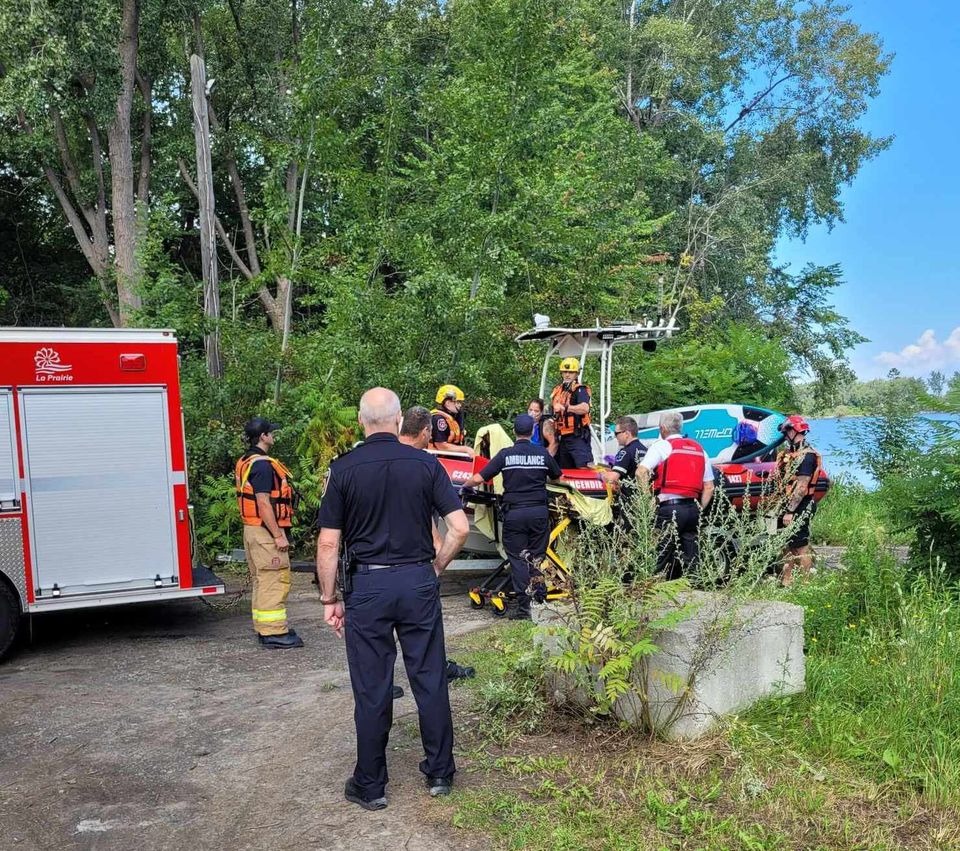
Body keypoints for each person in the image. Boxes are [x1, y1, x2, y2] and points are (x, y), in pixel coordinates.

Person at [316, 388, 470, 810]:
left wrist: (330, 598)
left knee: (372, 686)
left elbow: (329, 545)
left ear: (361, 421)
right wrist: (434, 567)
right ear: (400, 420)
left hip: (368, 587)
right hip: (417, 581)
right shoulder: (427, 465)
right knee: (430, 675)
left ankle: (371, 784)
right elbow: (458, 527)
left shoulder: (343, 469)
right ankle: (440, 772)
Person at [463, 414, 562, 620]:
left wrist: (461, 487)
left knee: (518, 559)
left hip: (515, 513)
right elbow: (557, 477)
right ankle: (539, 600)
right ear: (532, 432)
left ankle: (525, 608)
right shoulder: (542, 454)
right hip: (538, 513)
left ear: (515, 432)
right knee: (536, 558)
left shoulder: (505, 455)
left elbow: (479, 478)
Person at [235, 417, 303, 649]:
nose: (273, 435)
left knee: (261, 580)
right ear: (263, 437)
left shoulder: (246, 460)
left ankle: (264, 627)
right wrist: (278, 535)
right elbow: (264, 504)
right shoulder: (262, 465)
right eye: (270, 432)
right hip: (265, 532)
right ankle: (274, 633)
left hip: (252, 529)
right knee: (274, 579)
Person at [637, 412, 715, 580]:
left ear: (662, 428)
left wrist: (647, 500)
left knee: (659, 555)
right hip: (693, 509)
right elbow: (709, 487)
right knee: (692, 559)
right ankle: (694, 595)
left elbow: (641, 472)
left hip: (669, 508)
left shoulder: (662, 446)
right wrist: (699, 508)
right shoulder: (700, 449)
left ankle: (649, 593)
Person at [774, 415, 823, 585]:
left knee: (800, 545)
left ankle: (806, 583)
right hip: (787, 503)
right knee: (787, 544)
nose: (785, 436)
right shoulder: (789, 454)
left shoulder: (807, 457)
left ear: (795, 430)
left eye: (786, 431)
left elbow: (801, 487)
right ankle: (786, 581)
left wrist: (790, 511)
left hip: (800, 505)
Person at [601, 416, 646, 524]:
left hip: (629, 500)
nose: (615, 437)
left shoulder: (625, 452)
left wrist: (600, 475)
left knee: (627, 532)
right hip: (643, 500)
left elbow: (613, 477)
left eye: (617, 433)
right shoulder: (644, 450)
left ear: (626, 433)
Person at [549, 358, 593, 468]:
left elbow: (585, 408)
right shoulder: (558, 390)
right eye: (565, 372)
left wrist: (565, 408)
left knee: (583, 467)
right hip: (562, 437)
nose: (567, 375)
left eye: (571, 372)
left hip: (577, 436)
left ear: (577, 374)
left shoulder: (580, 390)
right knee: (563, 469)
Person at [430, 384, 474, 457]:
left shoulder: (452, 417)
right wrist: (465, 449)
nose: (460, 405)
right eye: (458, 402)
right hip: (439, 459)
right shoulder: (438, 419)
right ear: (448, 403)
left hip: (450, 457)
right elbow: (441, 446)